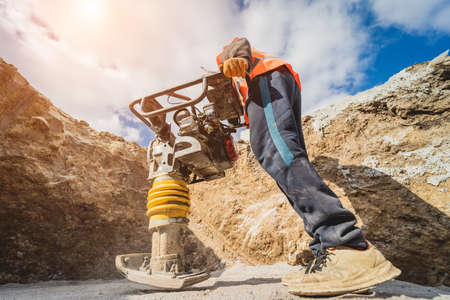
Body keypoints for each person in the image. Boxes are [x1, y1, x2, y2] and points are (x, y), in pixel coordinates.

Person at [216, 37, 401, 296]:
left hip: (266, 81)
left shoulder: (234, 64)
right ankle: (328, 251)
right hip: (273, 86)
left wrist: (232, 57)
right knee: (282, 156)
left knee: (278, 153)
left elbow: (238, 43)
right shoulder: (243, 85)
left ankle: (345, 244)